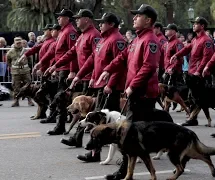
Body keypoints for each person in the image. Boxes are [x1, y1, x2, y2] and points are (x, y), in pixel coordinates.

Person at [96, 4, 160, 180]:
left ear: (148, 20)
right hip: (136, 93)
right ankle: (129, 169)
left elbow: (149, 67)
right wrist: (107, 69)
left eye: (138, 16)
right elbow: (123, 56)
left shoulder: (150, 40)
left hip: (143, 94)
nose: (134, 18)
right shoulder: (137, 39)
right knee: (134, 133)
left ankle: (125, 171)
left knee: (129, 133)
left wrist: (132, 86)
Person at [61, 12, 126, 163]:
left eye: (103, 22)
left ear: (111, 24)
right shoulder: (103, 39)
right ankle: (96, 153)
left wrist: (110, 84)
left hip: (110, 87)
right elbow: (93, 60)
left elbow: (120, 65)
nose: (100, 25)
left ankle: (96, 154)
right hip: (101, 84)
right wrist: (83, 76)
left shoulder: (117, 40)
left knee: (103, 123)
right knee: (100, 121)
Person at [170, 16, 215, 126]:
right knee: (192, 97)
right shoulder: (195, 39)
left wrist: (199, 71)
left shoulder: (206, 40)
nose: (194, 25)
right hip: (192, 72)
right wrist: (176, 55)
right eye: (193, 23)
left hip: (199, 74)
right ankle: (193, 119)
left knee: (199, 98)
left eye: (196, 23)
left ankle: (194, 118)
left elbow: (206, 57)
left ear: (202, 26)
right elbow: (186, 49)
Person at [46, 9, 101, 95]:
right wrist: (55, 65)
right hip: (82, 76)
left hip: (90, 78)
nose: (76, 20)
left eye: (79, 18)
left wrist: (92, 77)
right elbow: (71, 53)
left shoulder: (94, 35)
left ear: (86, 19)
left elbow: (96, 59)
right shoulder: (82, 35)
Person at [43, 9, 78, 91]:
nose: (58, 18)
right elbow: (56, 51)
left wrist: (72, 71)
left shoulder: (70, 31)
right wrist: (51, 65)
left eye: (61, 16)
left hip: (66, 68)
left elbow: (73, 52)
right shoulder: (63, 31)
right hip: (60, 67)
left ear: (67, 19)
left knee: (62, 93)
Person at [6, 37, 34, 107]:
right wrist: (13, 68)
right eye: (17, 43)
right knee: (16, 86)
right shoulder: (10, 52)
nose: (19, 44)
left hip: (25, 70)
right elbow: (8, 61)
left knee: (28, 85)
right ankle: (16, 100)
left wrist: (28, 68)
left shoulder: (26, 51)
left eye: (20, 42)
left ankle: (29, 100)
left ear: (22, 43)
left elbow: (30, 61)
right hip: (16, 71)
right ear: (14, 43)